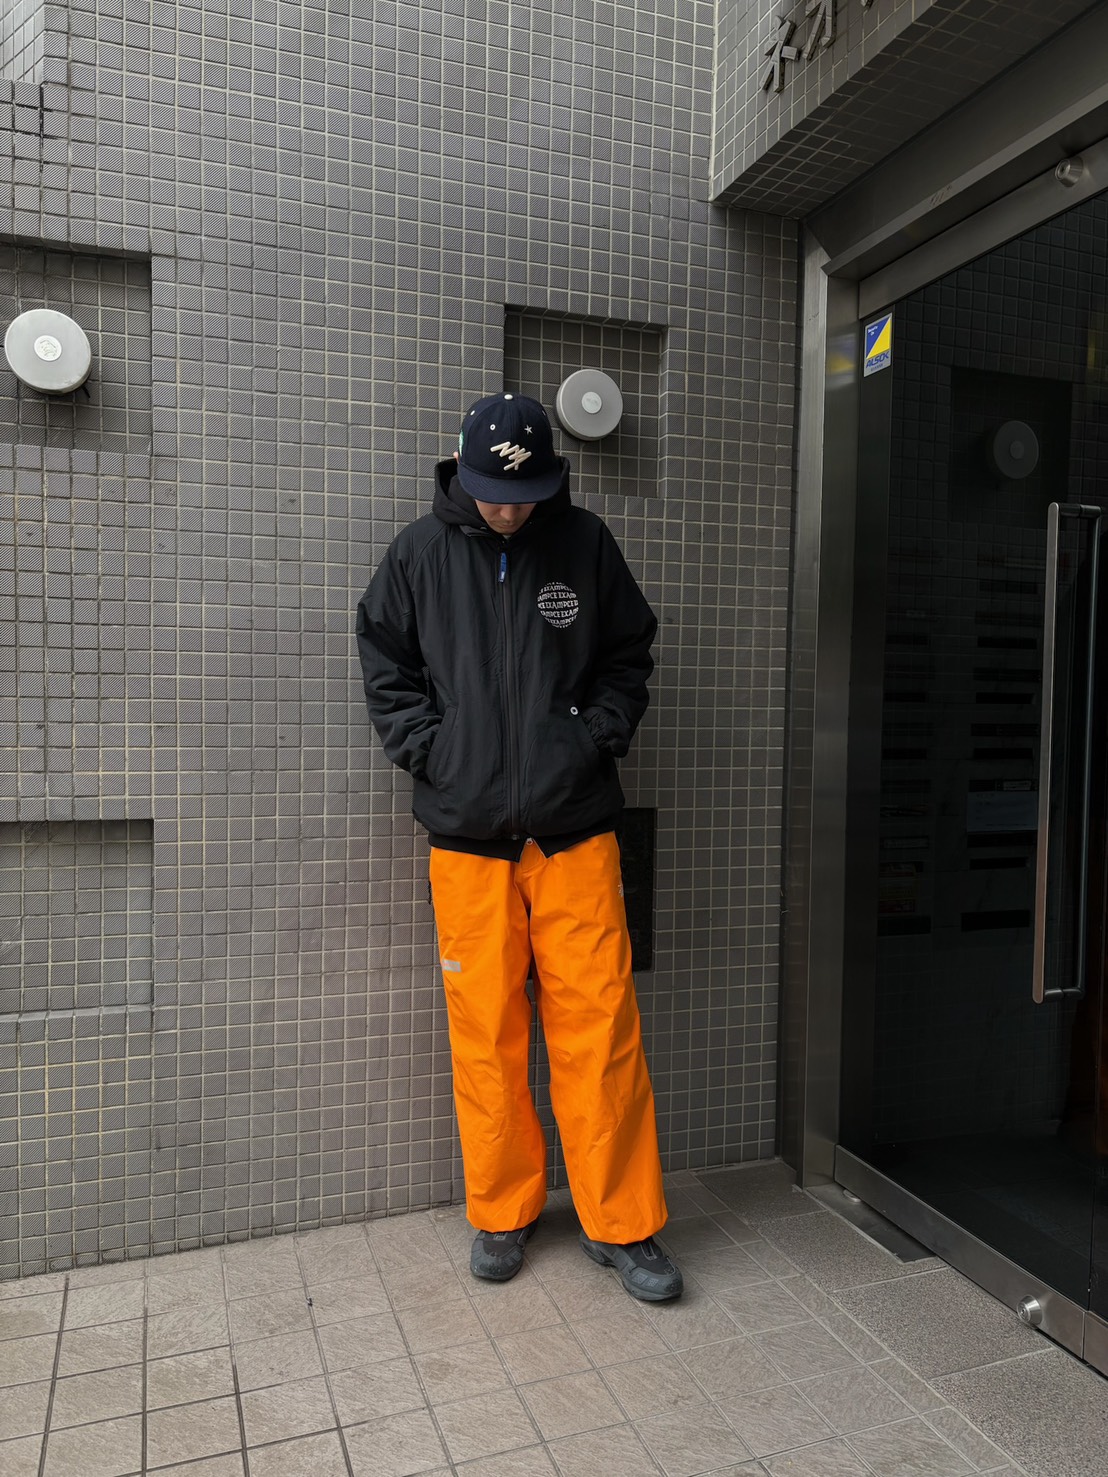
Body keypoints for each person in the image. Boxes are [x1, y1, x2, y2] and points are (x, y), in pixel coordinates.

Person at [355, 391, 681, 1302]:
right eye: (495, 494)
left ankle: (624, 1221)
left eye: (526, 495)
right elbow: (385, 664)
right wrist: (433, 749)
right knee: (485, 1033)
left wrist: (596, 734)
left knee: (601, 1029)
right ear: (463, 472)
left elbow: (629, 651)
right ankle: (503, 1209)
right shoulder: (418, 555)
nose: (509, 510)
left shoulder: (585, 544)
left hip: (575, 830)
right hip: (467, 839)